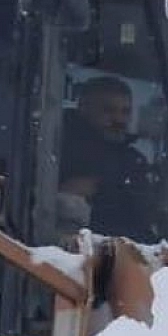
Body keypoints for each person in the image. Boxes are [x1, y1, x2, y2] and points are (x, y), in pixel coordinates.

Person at [57, 75, 158, 240]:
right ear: (84, 108)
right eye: (108, 110)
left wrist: (101, 188)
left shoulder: (133, 160)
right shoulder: (58, 147)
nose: (118, 119)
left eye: (125, 111)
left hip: (126, 251)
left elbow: (143, 214)